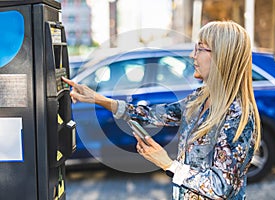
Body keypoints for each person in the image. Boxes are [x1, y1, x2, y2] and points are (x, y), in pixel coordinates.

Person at [63, 20, 261, 200]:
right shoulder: (201, 98)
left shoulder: (238, 114)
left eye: (200, 48)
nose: (193, 54)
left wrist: (168, 164)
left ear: (222, 57)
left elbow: (221, 187)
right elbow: (152, 115)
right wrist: (97, 98)